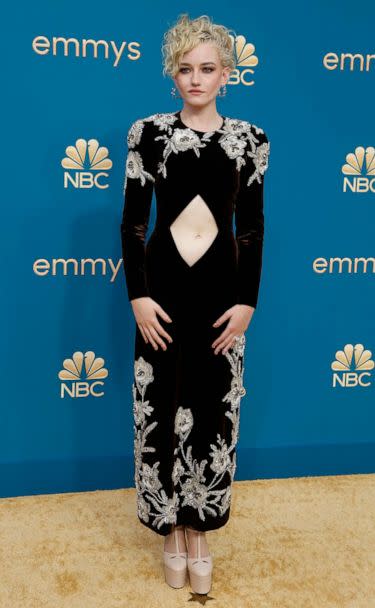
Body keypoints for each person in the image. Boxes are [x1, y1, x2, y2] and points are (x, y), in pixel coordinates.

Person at [120, 13, 270, 595]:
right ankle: (169, 529)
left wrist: (247, 304)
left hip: (220, 300)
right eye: (185, 69)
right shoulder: (148, 134)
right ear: (172, 74)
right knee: (159, 407)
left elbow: (253, 229)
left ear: (226, 74)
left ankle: (200, 529)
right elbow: (134, 224)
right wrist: (137, 295)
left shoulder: (251, 140)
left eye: (207, 69)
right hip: (160, 296)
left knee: (213, 411)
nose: (195, 79)